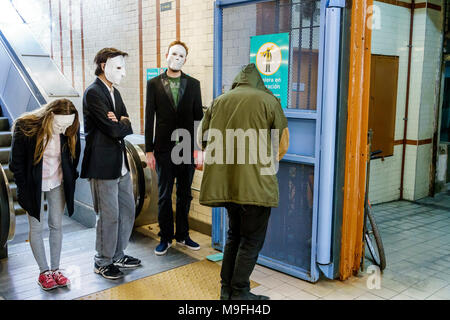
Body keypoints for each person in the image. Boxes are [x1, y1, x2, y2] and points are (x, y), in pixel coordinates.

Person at [198, 63, 289, 300]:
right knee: (251, 240)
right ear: (258, 81)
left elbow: (203, 140)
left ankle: (226, 289)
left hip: (227, 185)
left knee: (233, 235)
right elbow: (281, 145)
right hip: (256, 186)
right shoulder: (270, 102)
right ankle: (240, 292)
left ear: (238, 80)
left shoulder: (219, 101)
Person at [81, 47, 141, 280]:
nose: (123, 73)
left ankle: (117, 254)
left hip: (121, 163)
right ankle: (102, 260)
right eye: (118, 67)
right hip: (102, 165)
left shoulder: (114, 92)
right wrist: (120, 124)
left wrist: (122, 122)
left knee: (127, 210)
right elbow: (114, 129)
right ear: (104, 66)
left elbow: (126, 122)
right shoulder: (93, 93)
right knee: (109, 215)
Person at [9, 99, 81, 291]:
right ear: (49, 116)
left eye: (67, 125)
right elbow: (15, 164)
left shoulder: (69, 128)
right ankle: (44, 272)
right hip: (33, 184)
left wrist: (71, 176)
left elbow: (74, 156)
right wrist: (22, 190)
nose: (63, 129)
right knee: (37, 227)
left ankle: (56, 269)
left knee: (56, 225)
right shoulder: (26, 127)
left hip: (57, 182)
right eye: (59, 124)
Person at [145, 40, 204, 255]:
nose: (177, 58)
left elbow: (199, 119)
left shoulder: (194, 84)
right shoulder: (154, 84)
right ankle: (165, 237)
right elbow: (149, 118)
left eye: (181, 56)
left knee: (185, 194)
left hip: (188, 148)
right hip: (163, 150)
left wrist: (200, 149)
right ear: (167, 55)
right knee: (164, 195)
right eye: (174, 54)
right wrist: (149, 150)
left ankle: (183, 236)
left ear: (185, 60)